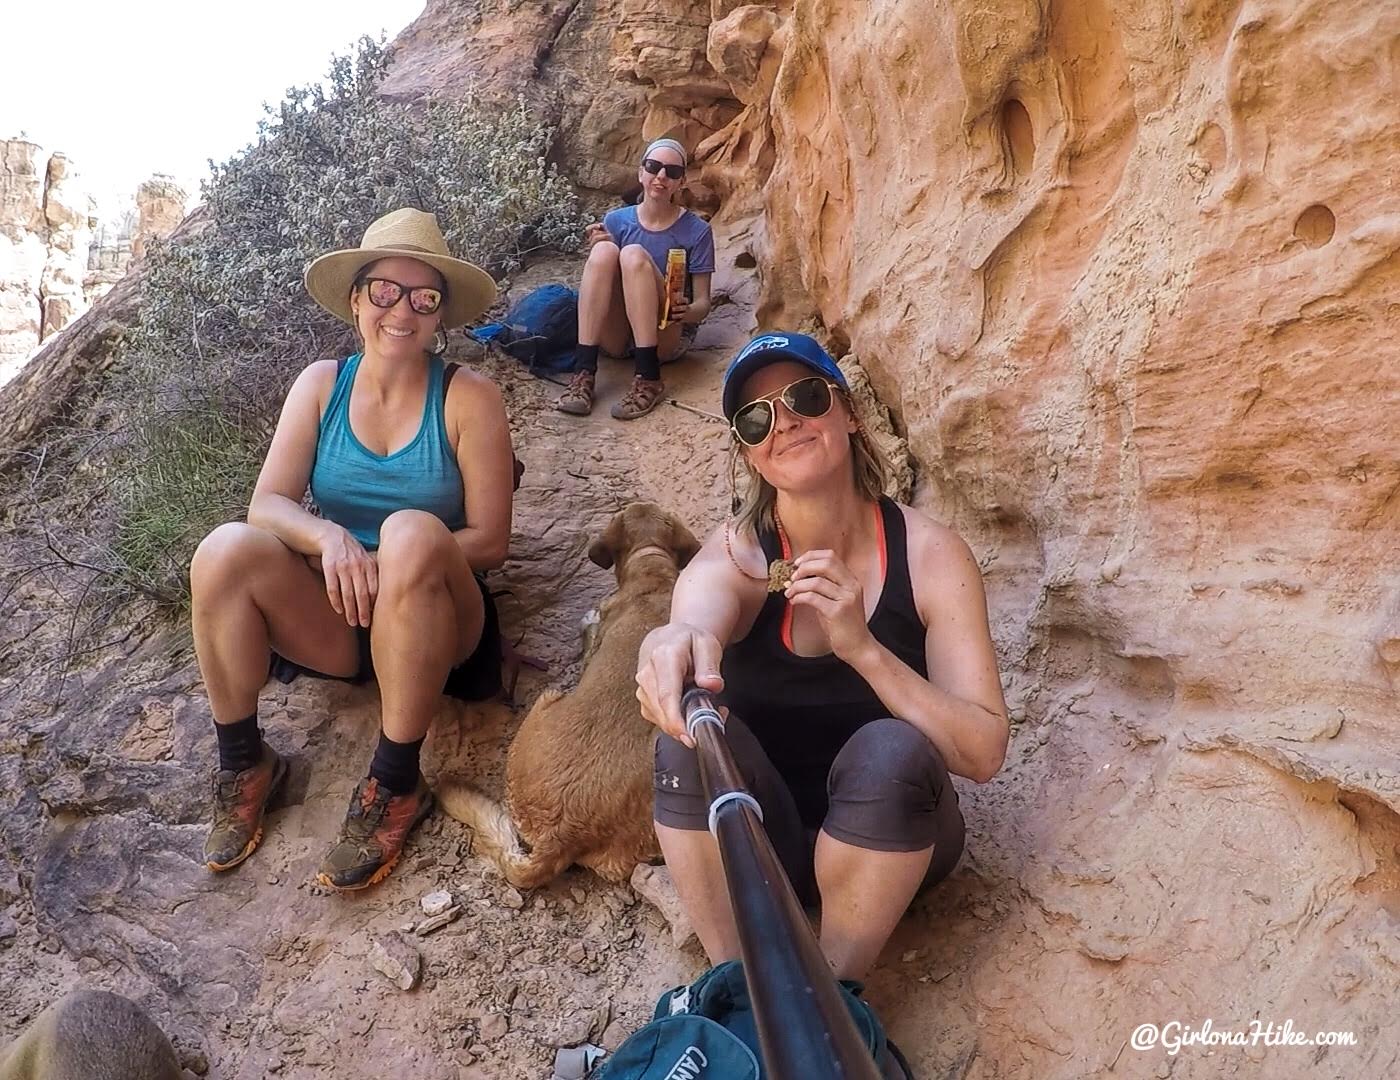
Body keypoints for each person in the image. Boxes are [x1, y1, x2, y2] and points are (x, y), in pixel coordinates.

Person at [635, 332, 1009, 980]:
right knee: (689, 734)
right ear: (749, 456)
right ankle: (738, 987)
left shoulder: (930, 555)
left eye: (805, 396)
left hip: (893, 840)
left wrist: (864, 650)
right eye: (757, 419)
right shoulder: (735, 560)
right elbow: (692, 623)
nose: (785, 422)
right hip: (763, 837)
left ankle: (838, 997)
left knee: (891, 749)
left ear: (848, 412)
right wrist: (665, 643)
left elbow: (982, 752)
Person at [189, 207, 513, 891]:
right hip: (344, 615)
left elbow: (490, 540)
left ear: (439, 316)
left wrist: (399, 556)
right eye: (386, 292)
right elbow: (267, 504)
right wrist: (329, 536)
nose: (404, 311)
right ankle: (245, 761)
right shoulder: (321, 385)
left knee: (408, 530)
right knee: (224, 550)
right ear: (357, 300)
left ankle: (396, 781)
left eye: (424, 298)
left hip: (440, 619)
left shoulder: (470, 398)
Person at [556, 138, 715, 421]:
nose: (661, 176)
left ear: (681, 182)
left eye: (673, 172)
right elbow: (605, 282)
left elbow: (703, 304)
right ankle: (584, 372)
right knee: (606, 250)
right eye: (654, 167)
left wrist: (686, 311)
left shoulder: (697, 231)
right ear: (641, 173)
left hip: (665, 335)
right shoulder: (616, 221)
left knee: (632, 254)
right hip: (619, 335)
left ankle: (649, 376)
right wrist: (597, 248)